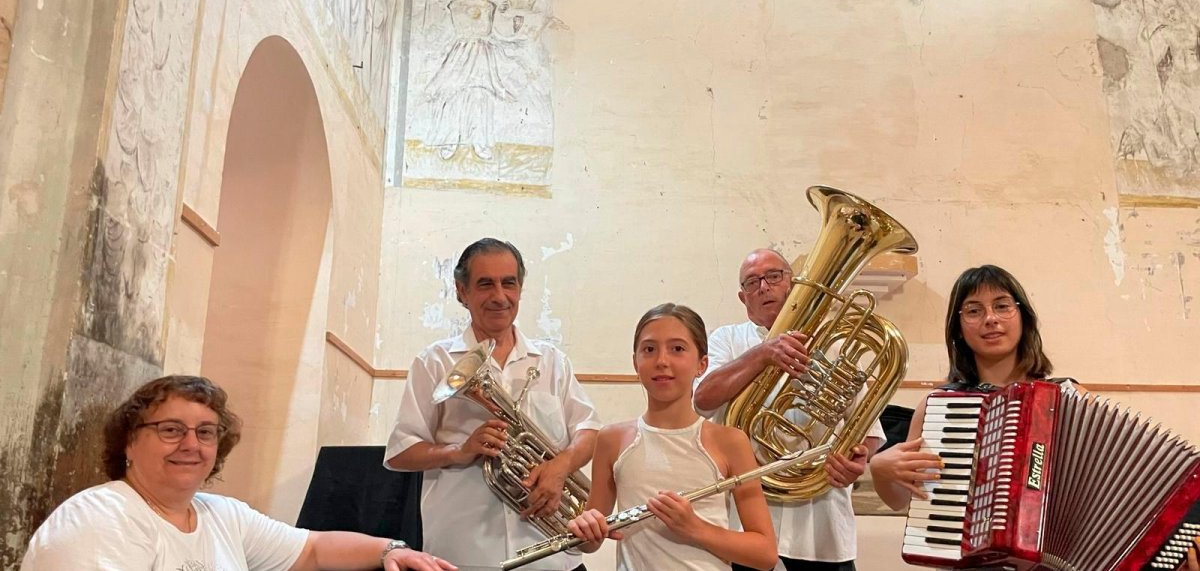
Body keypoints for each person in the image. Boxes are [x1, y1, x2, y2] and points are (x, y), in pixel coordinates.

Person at [21, 375, 453, 571]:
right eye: (171, 430)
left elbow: (315, 549)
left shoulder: (218, 514)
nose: (191, 444)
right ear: (129, 442)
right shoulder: (101, 516)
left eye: (206, 432)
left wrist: (392, 550)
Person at [385, 238, 600, 571]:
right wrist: (458, 450)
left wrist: (560, 467)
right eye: (485, 284)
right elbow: (400, 452)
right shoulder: (434, 362)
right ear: (461, 291)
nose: (499, 296)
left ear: (520, 289)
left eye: (508, 283)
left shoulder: (552, 361)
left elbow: (589, 431)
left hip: (552, 556)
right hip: (464, 554)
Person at [693, 249, 885, 571]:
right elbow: (702, 399)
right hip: (749, 525)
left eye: (774, 276)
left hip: (823, 525)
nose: (764, 287)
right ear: (743, 298)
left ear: (792, 284)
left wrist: (856, 460)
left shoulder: (835, 343)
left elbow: (869, 431)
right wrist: (763, 354)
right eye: (752, 282)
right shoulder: (727, 339)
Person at [567, 303, 778, 571]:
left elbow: (765, 554)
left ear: (702, 364)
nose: (662, 361)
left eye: (677, 349)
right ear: (635, 362)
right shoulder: (612, 439)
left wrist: (695, 528)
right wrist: (585, 530)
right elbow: (590, 543)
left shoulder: (730, 441)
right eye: (649, 349)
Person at [868, 264, 1060, 511]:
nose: (990, 319)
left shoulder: (1065, 398)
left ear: (1024, 318)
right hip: (962, 548)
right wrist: (880, 471)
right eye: (974, 311)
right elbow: (901, 500)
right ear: (958, 329)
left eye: (1002, 306)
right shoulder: (937, 407)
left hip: (1057, 550)